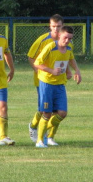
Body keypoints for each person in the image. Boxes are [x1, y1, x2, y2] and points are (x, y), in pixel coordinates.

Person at [33, 26, 81, 148]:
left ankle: (47, 135)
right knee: (47, 113)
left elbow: (70, 59)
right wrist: (51, 71)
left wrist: (75, 71)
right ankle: (40, 140)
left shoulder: (69, 48)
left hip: (60, 84)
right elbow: (37, 63)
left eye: (70, 38)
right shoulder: (50, 47)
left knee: (62, 113)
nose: (67, 41)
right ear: (59, 35)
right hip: (47, 83)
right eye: (65, 37)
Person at [27, 14, 73, 143]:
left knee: (57, 111)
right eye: (53, 26)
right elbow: (31, 57)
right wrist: (39, 72)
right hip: (43, 79)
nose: (56, 29)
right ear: (50, 26)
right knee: (44, 110)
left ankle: (50, 137)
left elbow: (66, 58)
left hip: (58, 80)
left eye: (58, 26)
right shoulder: (43, 40)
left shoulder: (66, 41)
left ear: (62, 26)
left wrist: (69, 71)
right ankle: (34, 126)